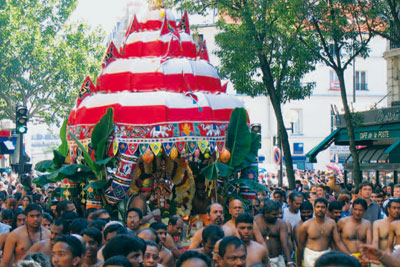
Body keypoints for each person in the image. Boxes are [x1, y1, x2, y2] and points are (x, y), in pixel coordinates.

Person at [297, 198, 350, 267]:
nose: (320, 209)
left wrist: (349, 255)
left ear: (326, 209)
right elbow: (301, 245)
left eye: (323, 207)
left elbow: (338, 242)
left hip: (326, 255)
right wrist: (298, 263)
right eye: (318, 207)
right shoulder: (306, 225)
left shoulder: (331, 223)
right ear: (314, 209)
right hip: (310, 256)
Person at [254, 200, 293, 267]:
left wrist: (289, 262)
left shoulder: (281, 224)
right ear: (266, 213)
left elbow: (285, 245)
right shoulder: (256, 220)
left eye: (278, 213)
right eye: (274, 214)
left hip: (277, 259)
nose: (277, 216)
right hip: (260, 260)